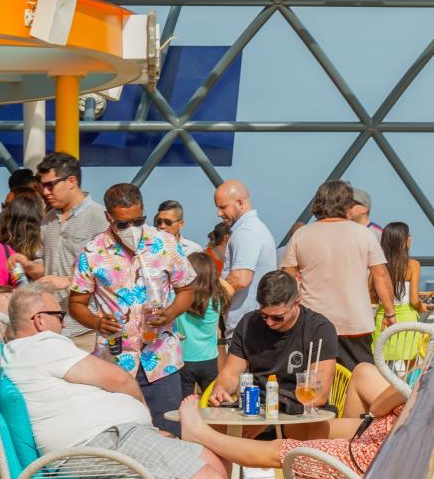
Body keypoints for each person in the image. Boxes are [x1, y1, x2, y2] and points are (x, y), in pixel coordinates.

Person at [2, 283, 339, 479]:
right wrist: (141, 418)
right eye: (59, 315)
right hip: (105, 443)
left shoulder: (20, 355)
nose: (63, 322)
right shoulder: (42, 345)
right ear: (39, 320)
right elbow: (119, 379)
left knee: (211, 459)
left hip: (108, 440)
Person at [69, 183, 196, 437]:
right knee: (119, 439)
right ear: (108, 217)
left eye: (138, 221)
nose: (131, 230)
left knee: (169, 436)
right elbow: (76, 303)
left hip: (161, 361)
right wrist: (97, 322)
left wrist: (170, 313)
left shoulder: (166, 244)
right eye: (123, 224)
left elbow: (188, 289)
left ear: (144, 212)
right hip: (114, 365)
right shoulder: (92, 253)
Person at [182, 361, 405, 479]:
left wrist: (407, 386)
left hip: (376, 452)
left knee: (282, 449)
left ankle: (202, 435)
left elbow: (377, 408)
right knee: (306, 430)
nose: (270, 322)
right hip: (389, 435)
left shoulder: (430, 378)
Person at [281, 180, 397, 370]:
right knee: (361, 380)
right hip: (355, 322)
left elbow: (287, 281)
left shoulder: (301, 235)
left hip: (312, 323)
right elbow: (381, 276)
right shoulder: (364, 234)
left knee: (313, 381)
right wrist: (390, 313)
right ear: (347, 204)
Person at [209, 271, 338, 437]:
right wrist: (220, 390)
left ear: (296, 302)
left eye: (277, 318)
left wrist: (269, 419)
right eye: (264, 316)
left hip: (296, 414)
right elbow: (230, 373)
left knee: (301, 430)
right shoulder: (249, 323)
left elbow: (318, 396)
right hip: (255, 409)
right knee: (205, 432)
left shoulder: (318, 329)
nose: (269, 322)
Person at [29, 152, 108, 351]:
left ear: (71, 181)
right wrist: (27, 265)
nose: (45, 192)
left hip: (86, 330)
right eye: (41, 185)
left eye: (50, 185)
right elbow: (44, 266)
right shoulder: (48, 220)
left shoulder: (99, 218)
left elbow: (110, 274)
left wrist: (66, 281)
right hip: (52, 328)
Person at [214, 179, 277, 331]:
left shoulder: (246, 232)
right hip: (252, 322)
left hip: (247, 326)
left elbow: (240, 279)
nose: (219, 213)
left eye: (223, 207)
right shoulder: (252, 229)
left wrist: (212, 303)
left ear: (240, 203)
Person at [175, 252, 231, 399]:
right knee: (211, 404)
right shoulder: (218, 299)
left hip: (184, 359)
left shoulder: (180, 299)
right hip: (209, 360)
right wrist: (212, 276)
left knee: (184, 406)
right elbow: (230, 288)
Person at [371, 222, 425, 339]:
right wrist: (422, 307)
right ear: (402, 240)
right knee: (409, 355)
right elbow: (414, 300)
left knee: (382, 355)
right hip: (407, 319)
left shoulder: (377, 265)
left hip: (383, 317)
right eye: (408, 235)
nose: (410, 238)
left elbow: (372, 296)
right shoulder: (413, 265)